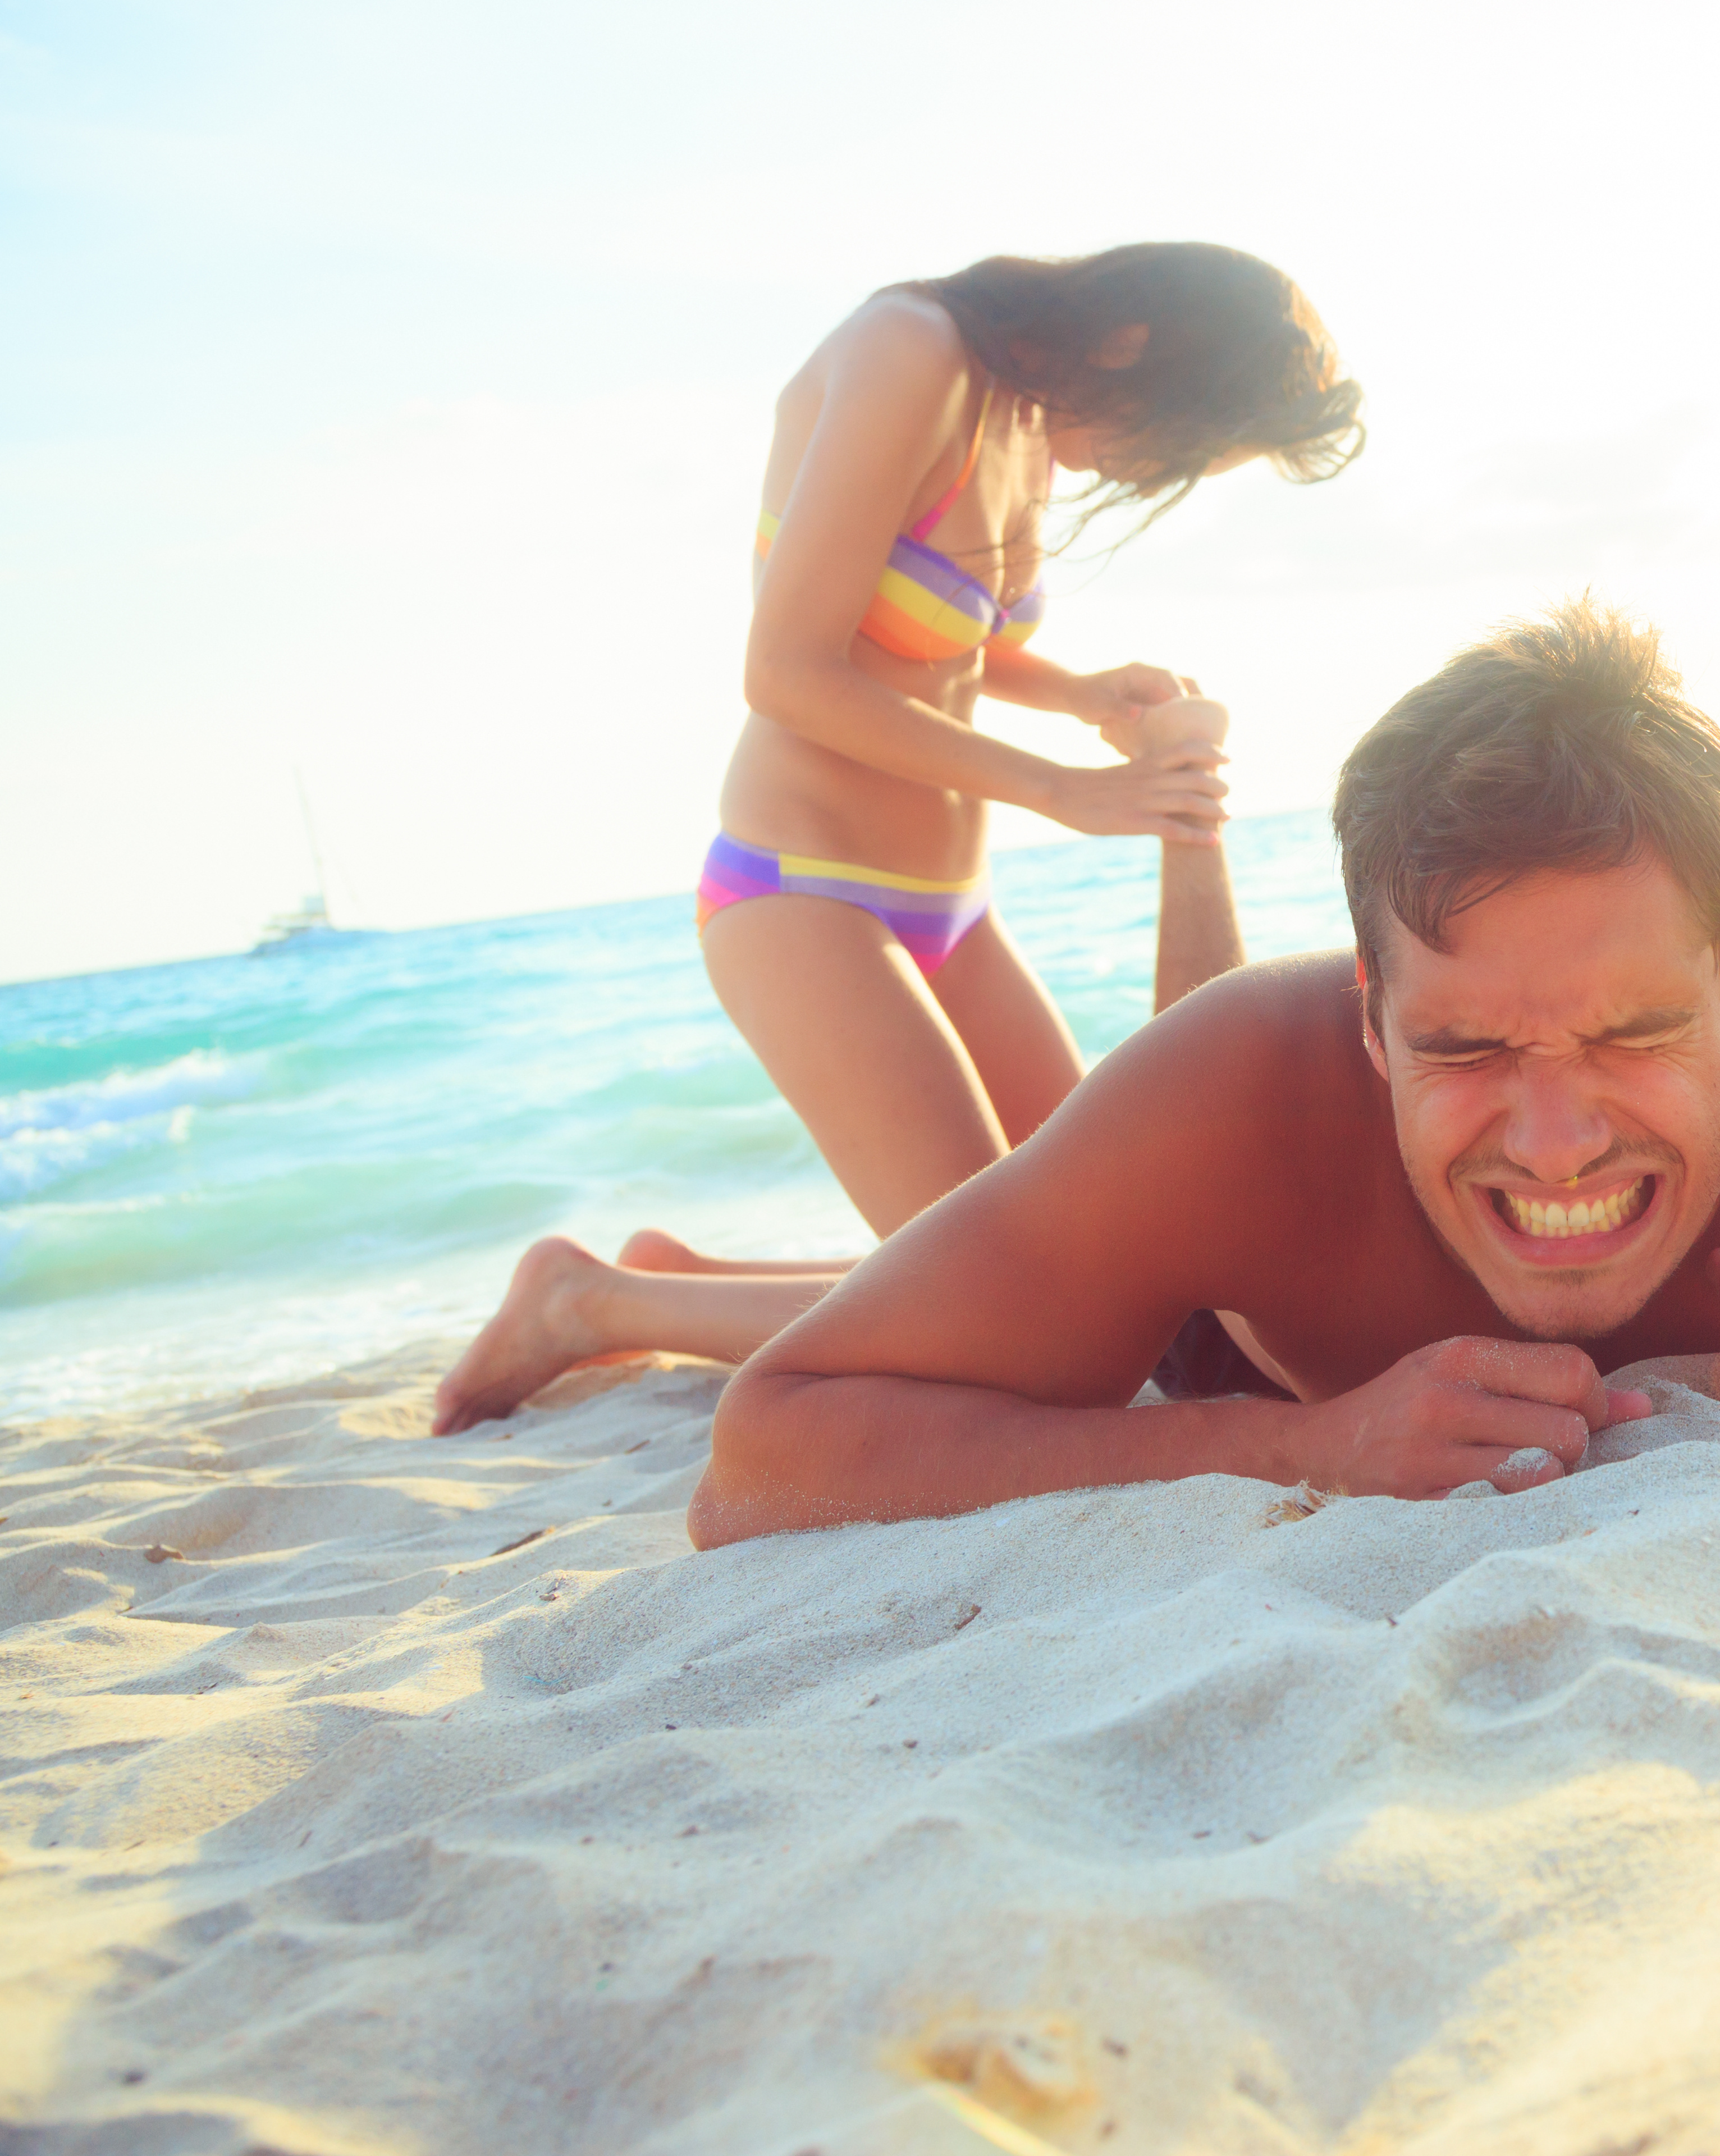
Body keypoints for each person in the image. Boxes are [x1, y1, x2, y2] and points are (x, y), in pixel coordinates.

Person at [688, 599, 1720, 1546]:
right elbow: (771, 1452)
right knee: (984, 1302)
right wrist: (1303, 1445)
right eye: (1466, 1047)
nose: (1555, 1143)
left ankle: (618, 1300)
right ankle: (615, 1310)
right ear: (1368, 1020)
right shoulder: (1234, 1097)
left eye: (1632, 1034)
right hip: (1224, 1351)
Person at [432, 244, 1362, 1436]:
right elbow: (787, 668)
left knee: (1122, 1257)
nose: (1146, 475)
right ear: (1134, 345)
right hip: (805, 894)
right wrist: (1060, 791)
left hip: (954, 913)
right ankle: (594, 1303)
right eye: (1174, 445)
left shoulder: (1025, 419)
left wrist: (1079, 692)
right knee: (1024, 1321)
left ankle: (687, 1281)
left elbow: (939, 637)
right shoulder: (911, 352)